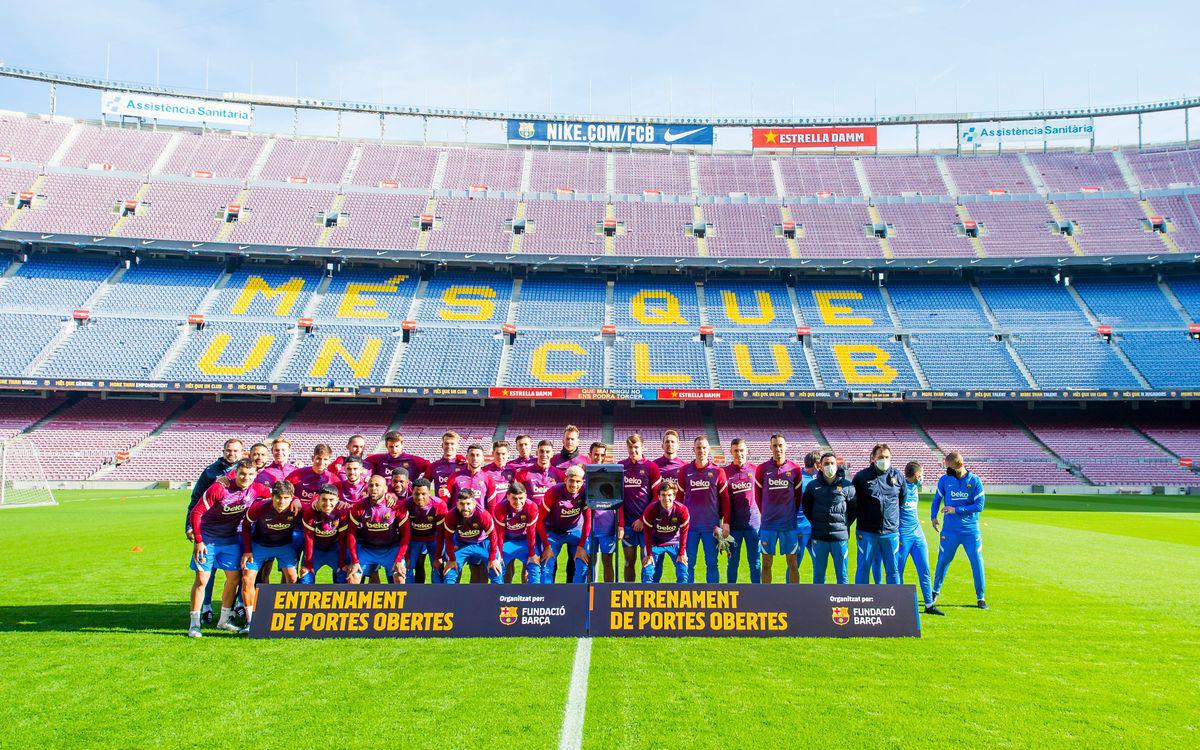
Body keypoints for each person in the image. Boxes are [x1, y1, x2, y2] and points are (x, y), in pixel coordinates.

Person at [187, 458, 268, 637]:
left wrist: (296, 502)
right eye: (242, 474)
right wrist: (199, 541)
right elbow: (197, 512)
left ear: (255, 476)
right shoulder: (219, 488)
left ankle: (223, 621)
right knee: (202, 580)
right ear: (235, 473)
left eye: (250, 475)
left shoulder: (257, 489)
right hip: (207, 539)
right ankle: (194, 624)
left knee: (234, 578)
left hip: (230, 539)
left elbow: (278, 493)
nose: (246, 477)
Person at [186, 438, 244, 623]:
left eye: (236, 451)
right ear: (223, 450)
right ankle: (206, 607)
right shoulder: (211, 471)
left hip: (234, 533)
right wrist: (189, 526)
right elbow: (196, 500)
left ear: (242, 453)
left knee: (235, 575)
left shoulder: (246, 472)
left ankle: (233, 610)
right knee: (206, 575)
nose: (231, 454)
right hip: (209, 532)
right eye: (228, 450)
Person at [932, 451, 988, 609]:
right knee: (943, 561)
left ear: (960, 465)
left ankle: (980, 598)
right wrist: (933, 517)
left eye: (949, 468)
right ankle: (935, 591)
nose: (947, 471)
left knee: (977, 562)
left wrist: (956, 510)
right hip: (949, 531)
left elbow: (979, 506)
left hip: (970, 531)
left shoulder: (975, 481)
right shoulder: (945, 480)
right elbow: (937, 499)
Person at [673, 436, 730, 584]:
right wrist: (676, 522)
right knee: (688, 563)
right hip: (689, 527)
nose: (701, 451)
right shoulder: (684, 471)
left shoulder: (718, 472)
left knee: (711, 563)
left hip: (711, 526)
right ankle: (686, 598)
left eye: (704, 448)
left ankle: (713, 597)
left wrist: (726, 523)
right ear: (693, 449)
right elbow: (678, 500)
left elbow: (725, 500)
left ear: (709, 449)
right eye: (698, 448)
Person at [852, 444, 905, 585]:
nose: (884, 460)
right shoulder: (861, 477)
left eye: (887, 457)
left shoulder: (898, 476)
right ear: (873, 458)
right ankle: (861, 602)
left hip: (890, 532)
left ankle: (894, 603)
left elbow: (901, 500)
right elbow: (853, 502)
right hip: (867, 532)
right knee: (863, 569)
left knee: (893, 570)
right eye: (881, 457)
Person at [754, 434, 802, 584]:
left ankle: (794, 597)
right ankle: (767, 597)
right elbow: (758, 497)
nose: (778, 449)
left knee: (793, 564)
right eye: (775, 446)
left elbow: (798, 497)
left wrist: (788, 514)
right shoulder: (762, 469)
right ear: (770, 447)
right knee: (767, 564)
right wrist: (768, 513)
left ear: (785, 447)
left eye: (780, 445)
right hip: (768, 524)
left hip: (788, 525)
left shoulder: (795, 469)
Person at [801, 452, 856, 585]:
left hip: (840, 538)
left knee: (842, 576)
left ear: (837, 466)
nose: (829, 466)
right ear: (820, 466)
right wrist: (817, 524)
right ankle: (818, 605)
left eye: (832, 463)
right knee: (819, 576)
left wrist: (843, 525)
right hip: (819, 538)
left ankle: (843, 603)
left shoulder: (847, 486)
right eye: (826, 464)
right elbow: (807, 509)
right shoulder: (812, 486)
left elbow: (854, 510)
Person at [344, 475, 410, 585]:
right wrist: (355, 561)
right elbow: (351, 533)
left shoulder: (397, 507)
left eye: (377, 485)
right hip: (368, 549)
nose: (373, 488)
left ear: (385, 489)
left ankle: (401, 602)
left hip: (391, 549)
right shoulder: (359, 506)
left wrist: (398, 560)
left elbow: (406, 535)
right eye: (371, 485)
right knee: (353, 577)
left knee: (400, 576)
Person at [899, 461, 943, 615]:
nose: (922, 477)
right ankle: (898, 603)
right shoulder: (899, 488)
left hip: (917, 533)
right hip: (903, 534)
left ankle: (929, 605)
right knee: (898, 570)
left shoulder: (915, 487)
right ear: (917, 475)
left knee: (924, 569)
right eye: (922, 475)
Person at [240, 480, 302, 588]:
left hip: (284, 546)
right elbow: (245, 526)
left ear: (291, 497)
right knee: (247, 578)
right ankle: (247, 605)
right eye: (278, 497)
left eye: (286, 498)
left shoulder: (298, 509)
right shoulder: (259, 507)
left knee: (292, 577)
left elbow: (314, 507)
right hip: (260, 545)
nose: (281, 501)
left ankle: (286, 604)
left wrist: (300, 500)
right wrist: (247, 550)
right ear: (272, 496)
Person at [618, 434, 661, 582]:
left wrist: (643, 519)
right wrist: (621, 525)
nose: (633, 450)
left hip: (647, 525)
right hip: (628, 526)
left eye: (636, 447)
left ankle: (646, 595)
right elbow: (619, 500)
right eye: (630, 447)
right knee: (628, 562)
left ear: (642, 448)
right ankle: (629, 594)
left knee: (647, 561)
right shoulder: (620, 467)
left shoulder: (652, 467)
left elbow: (657, 498)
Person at [538, 465, 591, 584]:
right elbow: (540, 521)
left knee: (582, 564)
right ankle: (546, 598)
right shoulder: (553, 492)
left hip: (575, 530)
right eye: (571, 480)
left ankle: (578, 596)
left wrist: (581, 546)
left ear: (583, 482)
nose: (574, 485)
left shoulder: (586, 491)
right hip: (553, 532)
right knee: (547, 565)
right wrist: (546, 546)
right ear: (565, 479)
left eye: (578, 481)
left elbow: (588, 520)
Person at [439, 488, 501, 585]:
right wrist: (451, 559)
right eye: (462, 504)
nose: (465, 507)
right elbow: (448, 539)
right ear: (457, 504)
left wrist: (492, 558)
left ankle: (498, 598)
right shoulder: (451, 516)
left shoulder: (483, 515)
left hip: (482, 543)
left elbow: (493, 537)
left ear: (474, 503)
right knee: (449, 573)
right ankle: (449, 598)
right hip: (461, 544)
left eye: (468, 504)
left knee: (496, 571)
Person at [585, 442, 623, 582]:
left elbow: (619, 502)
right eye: (596, 454)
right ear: (590, 454)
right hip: (590, 529)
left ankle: (607, 595)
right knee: (591, 563)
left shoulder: (612, 474)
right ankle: (590, 596)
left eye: (602, 455)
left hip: (608, 527)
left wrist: (620, 525)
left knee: (608, 563)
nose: (598, 457)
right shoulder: (583, 474)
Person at [725, 438, 761, 583]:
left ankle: (758, 595)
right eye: (736, 451)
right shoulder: (725, 472)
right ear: (731, 452)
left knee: (755, 562)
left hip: (754, 525)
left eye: (741, 450)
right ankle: (731, 594)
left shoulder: (756, 470)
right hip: (733, 527)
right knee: (732, 562)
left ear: (747, 451)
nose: (739, 454)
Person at [640, 479, 690, 584]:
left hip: (674, 542)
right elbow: (647, 534)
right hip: (655, 543)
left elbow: (684, 533)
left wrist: (681, 553)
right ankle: (647, 598)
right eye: (663, 495)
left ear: (674, 496)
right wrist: (649, 554)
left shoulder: (682, 510)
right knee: (648, 571)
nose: (666, 498)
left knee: (683, 571)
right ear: (658, 497)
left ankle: (680, 598)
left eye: (669, 495)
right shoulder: (650, 510)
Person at [490, 482, 541, 584]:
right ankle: (496, 596)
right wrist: (498, 556)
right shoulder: (500, 508)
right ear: (508, 496)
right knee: (496, 568)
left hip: (525, 541)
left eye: (521, 498)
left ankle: (536, 596)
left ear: (526, 496)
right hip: (506, 542)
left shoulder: (532, 507)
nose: (518, 502)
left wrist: (532, 554)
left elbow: (532, 532)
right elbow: (499, 535)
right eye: (514, 498)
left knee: (535, 566)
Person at [298, 484, 350, 584]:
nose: (328, 503)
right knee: (305, 578)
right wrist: (308, 564)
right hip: (315, 551)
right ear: (318, 499)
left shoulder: (342, 512)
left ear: (337, 500)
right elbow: (309, 540)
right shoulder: (309, 512)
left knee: (344, 576)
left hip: (335, 550)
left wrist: (342, 563)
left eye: (331, 500)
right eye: (324, 499)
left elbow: (343, 540)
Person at [785, 450, 821, 583]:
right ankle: (790, 594)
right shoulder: (800, 479)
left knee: (819, 561)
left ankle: (816, 593)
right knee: (795, 563)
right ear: (817, 464)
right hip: (800, 529)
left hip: (815, 529)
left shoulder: (815, 479)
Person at [405, 478, 447, 584]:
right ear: (412, 492)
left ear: (429, 492)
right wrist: (407, 556)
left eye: (424, 494)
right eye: (416, 494)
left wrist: (438, 556)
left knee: (438, 567)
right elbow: (403, 532)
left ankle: (436, 596)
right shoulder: (406, 504)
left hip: (434, 539)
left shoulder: (439, 504)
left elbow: (441, 533)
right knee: (407, 567)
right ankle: (409, 596)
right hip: (414, 539)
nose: (420, 497)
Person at [445, 444, 499, 509]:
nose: (475, 458)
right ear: (467, 457)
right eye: (472, 455)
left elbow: (492, 506)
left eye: (478, 455)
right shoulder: (454, 477)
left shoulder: (489, 479)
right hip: (458, 518)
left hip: (479, 518)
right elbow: (446, 501)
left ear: (482, 458)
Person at [514, 439, 566, 506]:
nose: (544, 454)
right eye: (541, 451)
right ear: (536, 453)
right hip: (532, 514)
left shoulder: (560, 474)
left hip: (551, 515)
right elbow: (516, 495)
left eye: (547, 452)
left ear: (552, 454)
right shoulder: (523, 473)